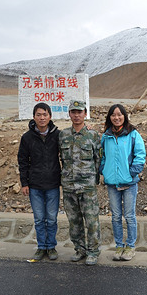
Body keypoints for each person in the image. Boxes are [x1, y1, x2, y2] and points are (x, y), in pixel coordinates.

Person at [99, 104, 146, 261]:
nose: (116, 117)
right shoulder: (106, 136)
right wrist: (103, 170)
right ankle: (119, 246)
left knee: (129, 216)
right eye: (113, 115)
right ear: (109, 117)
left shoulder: (133, 134)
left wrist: (132, 173)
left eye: (119, 114)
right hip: (112, 182)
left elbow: (140, 155)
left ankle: (130, 246)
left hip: (129, 183)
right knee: (116, 216)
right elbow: (103, 156)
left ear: (124, 116)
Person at [59, 100, 101, 266]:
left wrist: (94, 180)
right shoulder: (63, 135)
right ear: (69, 114)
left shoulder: (93, 135)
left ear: (85, 113)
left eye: (79, 112)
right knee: (74, 221)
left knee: (91, 221)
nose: (76, 115)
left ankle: (93, 251)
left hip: (87, 187)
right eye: (73, 112)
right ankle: (80, 249)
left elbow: (98, 159)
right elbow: (61, 159)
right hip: (69, 186)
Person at [17, 102, 61, 261]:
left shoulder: (58, 135)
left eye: (45, 114)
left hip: (53, 184)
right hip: (34, 185)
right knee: (39, 218)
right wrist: (24, 182)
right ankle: (41, 247)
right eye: (39, 114)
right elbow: (22, 161)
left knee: (51, 218)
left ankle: (51, 247)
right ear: (34, 116)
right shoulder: (27, 137)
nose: (42, 118)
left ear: (50, 116)